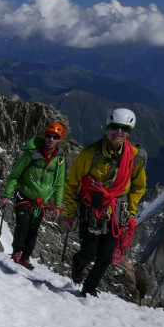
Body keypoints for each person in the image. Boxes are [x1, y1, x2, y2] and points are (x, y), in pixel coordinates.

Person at [62, 108, 147, 297]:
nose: (119, 132)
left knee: (106, 257)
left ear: (129, 132)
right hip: (90, 208)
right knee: (89, 252)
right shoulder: (90, 153)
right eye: (115, 127)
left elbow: (138, 187)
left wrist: (131, 212)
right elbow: (72, 183)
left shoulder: (134, 157)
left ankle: (89, 288)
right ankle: (78, 262)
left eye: (124, 129)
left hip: (117, 211)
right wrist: (69, 212)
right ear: (108, 128)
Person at [0, 122, 66, 269]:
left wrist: (57, 206)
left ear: (59, 139)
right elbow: (15, 175)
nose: (51, 139)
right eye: (49, 136)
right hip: (24, 195)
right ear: (45, 136)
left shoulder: (59, 161)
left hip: (41, 202)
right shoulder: (31, 154)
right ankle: (17, 251)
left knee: (33, 230)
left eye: (55, 137)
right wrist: (6, 195)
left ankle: (25, 258)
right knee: (22, 224)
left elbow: (59, 185)